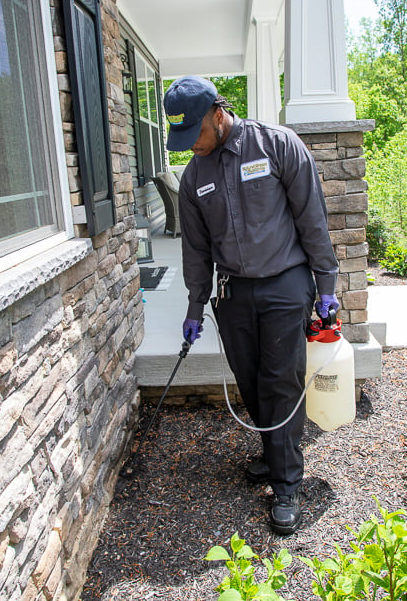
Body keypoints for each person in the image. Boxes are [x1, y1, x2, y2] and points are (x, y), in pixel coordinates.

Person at [163, 75, 340, 535]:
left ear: (217, 115)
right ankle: (273, 451)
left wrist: (326, 285)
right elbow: (196, 251)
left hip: (286, 284)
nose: (191, 147)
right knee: (251, 381)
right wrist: (193, 305)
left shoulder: (277, 146)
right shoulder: (193, 177)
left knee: (280, 381)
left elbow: (312, 219)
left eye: (195, 135)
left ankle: (286, 483)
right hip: (235, 292)